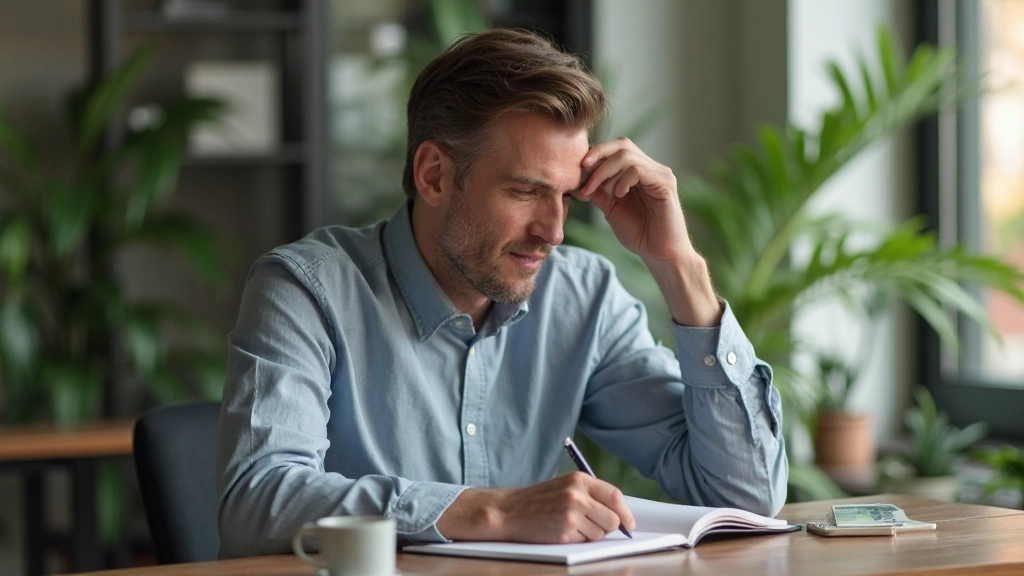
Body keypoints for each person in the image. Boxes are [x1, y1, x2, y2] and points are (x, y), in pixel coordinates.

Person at [216, 28, 787, 558]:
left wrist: (680, 266)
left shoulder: (583, 297)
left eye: (566, 197)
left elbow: (745, 494)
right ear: (434, 174)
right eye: (526, 191)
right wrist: (494, 511)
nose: (554, 231)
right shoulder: (305, 290)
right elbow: (257, 502)